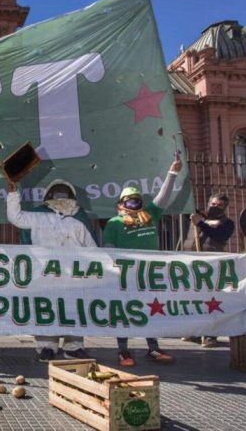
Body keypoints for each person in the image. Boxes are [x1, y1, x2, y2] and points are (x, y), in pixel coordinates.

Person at [103, 153, 182, 367]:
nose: (134, 201)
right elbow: (109, 250)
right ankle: (123, 351)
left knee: (150, 308)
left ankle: (154, 349)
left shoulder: (150, 215)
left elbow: (163, 198)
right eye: (130, 198)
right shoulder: (114, 223)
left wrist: (172, 172)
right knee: (124, 312)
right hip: (125, 276)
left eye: (137, 198)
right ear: (121, 203)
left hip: (149, 275)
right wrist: (113, 272)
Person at [7, 177, 96, 361]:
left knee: (73, 310)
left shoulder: (79, 219)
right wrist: (13, 193)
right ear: (49, 195)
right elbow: (15, 217)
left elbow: (91, 248)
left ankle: (74, 346)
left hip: (74, 279)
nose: (60, 196)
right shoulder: (38, 216)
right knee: (46, 310)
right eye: (57, 193)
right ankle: (47, 347)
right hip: (45, 277)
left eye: (64, 193)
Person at [185, 193, 235, 347]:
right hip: (195, 264)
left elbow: (219, 236)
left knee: (212, 301)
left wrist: (200, 224)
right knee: (196, 299)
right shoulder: (201, 219)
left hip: (213, 266)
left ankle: (210, 335)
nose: (215, 207)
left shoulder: (227, 223)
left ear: (224, 207)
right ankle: (195, 332)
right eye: (213, 204)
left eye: (219, 205)